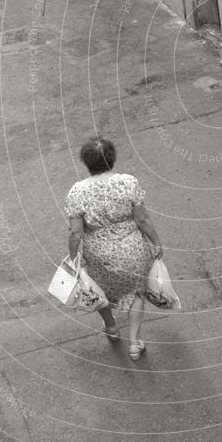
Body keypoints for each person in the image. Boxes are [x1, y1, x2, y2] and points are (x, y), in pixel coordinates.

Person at [64, 137, 163, 360]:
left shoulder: (77, 192)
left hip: (99, 255)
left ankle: (111, 327)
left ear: (85, 162)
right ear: (112, 159)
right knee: (137, 291)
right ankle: (135, 343)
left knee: (99, 291)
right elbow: (143, 219)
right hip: (133, 250)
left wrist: (73, 258)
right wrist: (156, 242)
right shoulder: (128, 183)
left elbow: (75, 232)